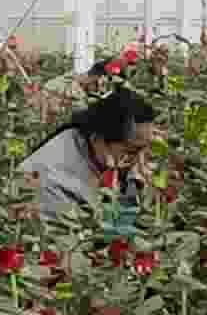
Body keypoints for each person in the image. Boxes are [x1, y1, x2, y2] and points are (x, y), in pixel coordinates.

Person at [19, 84, 158, 227]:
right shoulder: (54, 179)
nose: (140, 160)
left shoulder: (96, 145)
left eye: (145, 148)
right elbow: (68, 235)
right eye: (133, 152)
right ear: (97, 139)